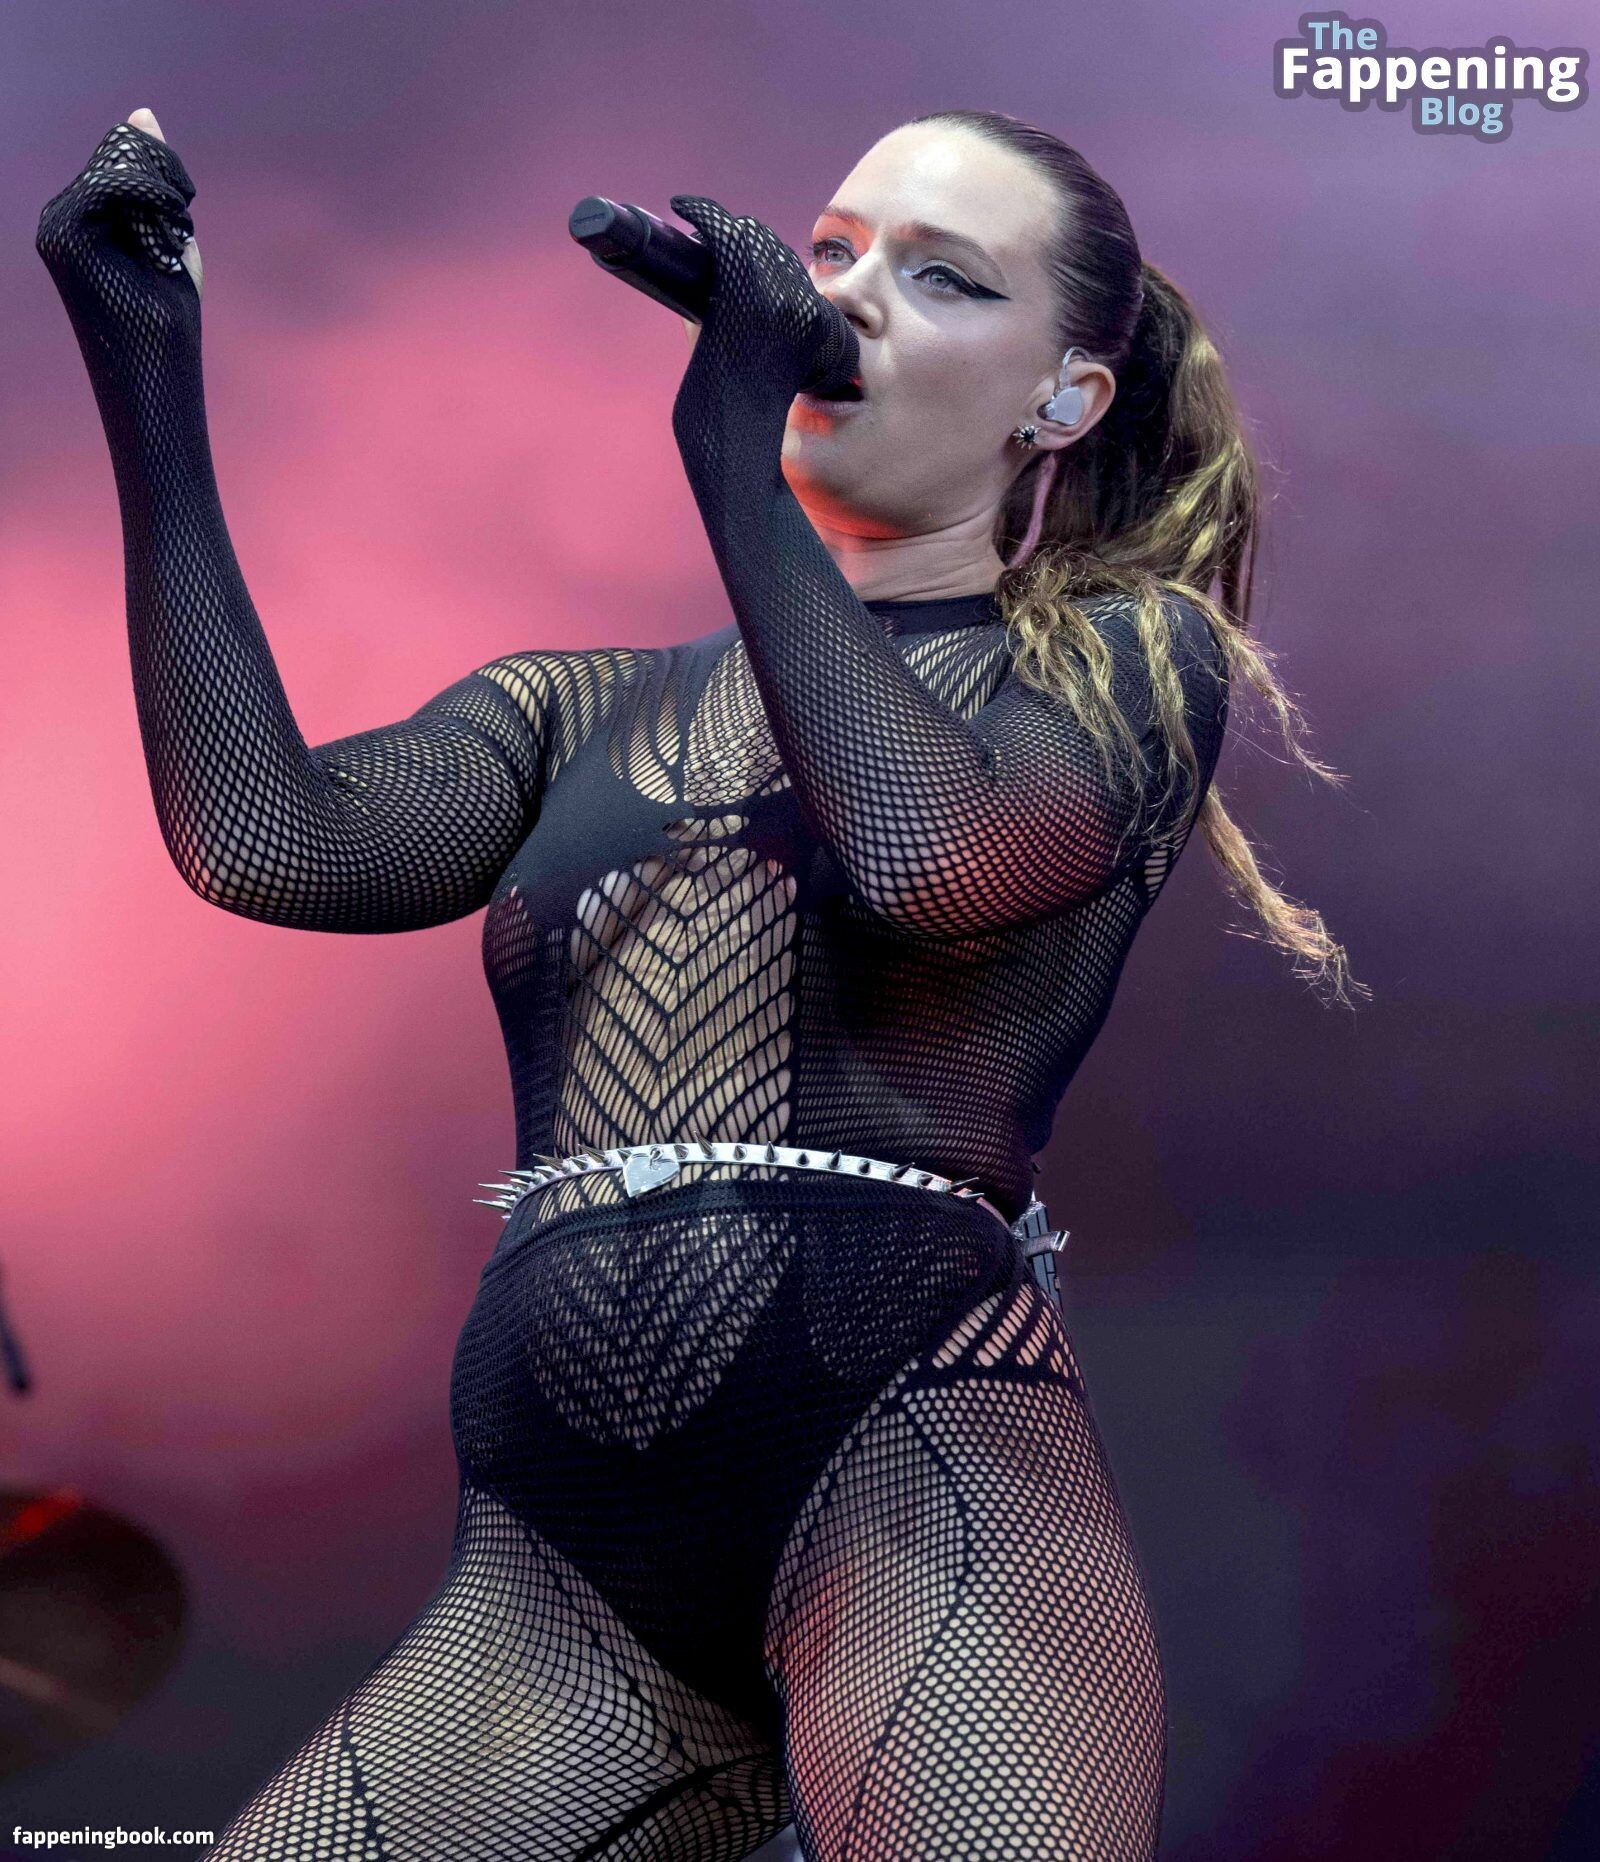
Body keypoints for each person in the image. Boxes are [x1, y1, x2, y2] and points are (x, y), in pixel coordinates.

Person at [36, 101, 1361, 1862]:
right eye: (836, 253)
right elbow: (266, 841)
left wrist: (732, 447)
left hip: (919, 1478)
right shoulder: (571, 709)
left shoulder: (1123, 657)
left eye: (945, 279)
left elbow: (928, 855)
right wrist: (144, 363)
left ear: (1064, 398)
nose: (853, 297)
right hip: (558, 1585)